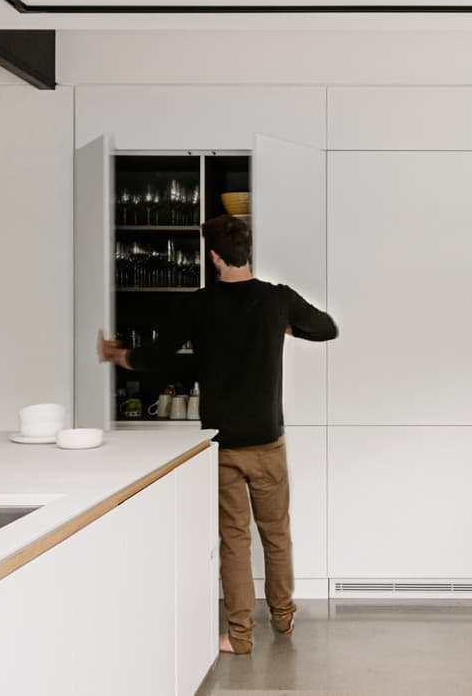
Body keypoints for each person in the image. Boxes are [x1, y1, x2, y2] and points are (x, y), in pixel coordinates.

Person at [100, 214, 338, 654]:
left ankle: (241, 636)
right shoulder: (275, 300)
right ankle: (283, 617)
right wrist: (287, 325)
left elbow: (157, 358)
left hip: (224, 445)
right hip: (268, 440)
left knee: (234, 539)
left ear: (213, 255)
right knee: (276, 533)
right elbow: (327, 328)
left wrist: (119, 356)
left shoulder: (199, 304)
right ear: (248, 251)